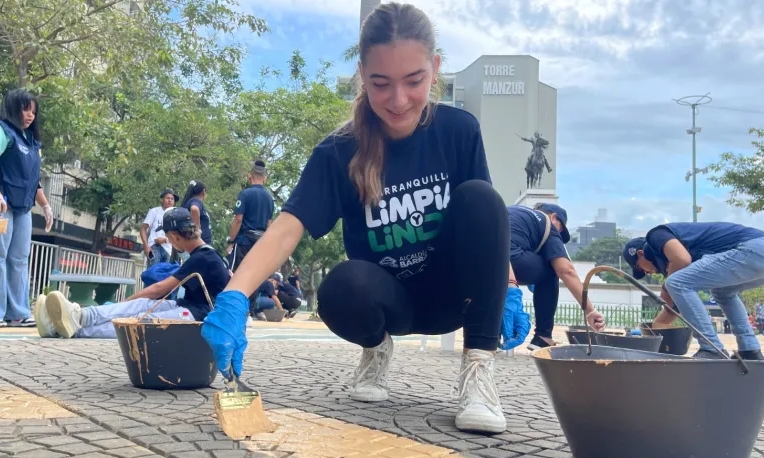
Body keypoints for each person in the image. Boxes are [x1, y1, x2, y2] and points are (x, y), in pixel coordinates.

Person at [201, 2, 540, 435]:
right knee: (341, 285)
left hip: (455, 297)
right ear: (363, 75)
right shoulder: (337, 151)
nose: (398, 101)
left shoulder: (459, 130)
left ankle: (477, 374)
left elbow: (487, 222)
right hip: (388, 303)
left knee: (481, 196)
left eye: (414, 81)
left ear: (435, 69)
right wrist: (234, 295)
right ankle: (377, 352)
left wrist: (507, 286)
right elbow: (289, 225)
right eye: (381, 84)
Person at [33, 208, 231, 339]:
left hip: (199, 316)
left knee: (140, 323)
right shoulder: (205, 255)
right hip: (187, 307)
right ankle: (80, 315)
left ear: (174, 237)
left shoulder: (203, 258)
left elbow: (159, 288)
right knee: (142, 305)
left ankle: (73, 330)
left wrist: (124, 302)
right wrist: (131, 302)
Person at [623, 221, 764, 360]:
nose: (646, 273)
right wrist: (653, 331)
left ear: (641, 254)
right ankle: (749, 349)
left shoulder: (656, 235)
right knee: (723, 292)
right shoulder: (671, 263)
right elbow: (675, 308)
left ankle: (711, 348)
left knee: (675, 282)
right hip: (761, 254)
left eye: (640, 268)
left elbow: (682, 259)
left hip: (754, 248)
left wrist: (666, 288)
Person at [0, 88, 54, 327]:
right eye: (26, 109)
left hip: (22, 206)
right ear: (13, 107)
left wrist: (46, 206)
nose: (30, 115)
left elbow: (33, 180)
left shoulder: (31, 141)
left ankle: (17, 312)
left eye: (34, 112)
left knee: (19, 257)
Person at [508, 203, 605, 350]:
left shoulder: (516, 211)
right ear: (554, 217)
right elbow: (566, 270)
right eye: (560, 230)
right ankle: (543, 336)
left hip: (473, 253)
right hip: (507, 257)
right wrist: (590, 310)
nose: (558, 236)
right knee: (552, 270)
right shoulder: (548, 224)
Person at [226, 160, 274, 271]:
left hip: (244, 242)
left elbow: (238, 220)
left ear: (249, 176)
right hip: (260, 244)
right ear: (264, 178)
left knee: (234, 275)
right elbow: (269, 225)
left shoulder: (245, 194)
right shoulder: (269, 198)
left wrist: (230, 242)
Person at [141, 189, 179, 266]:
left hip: (168, 249)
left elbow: (177, 234)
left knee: (163, 275)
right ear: (162, 199)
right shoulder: (154, 211)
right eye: (167, 198)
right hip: (154, 247)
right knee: (153, 273)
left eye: (172, 199)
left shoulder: (175, 215)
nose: (170, 200)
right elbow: (143, 228)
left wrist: (166, 240)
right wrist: (146, 245)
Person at [181, 180, 213, 247]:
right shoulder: (196, 200)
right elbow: (194, 209)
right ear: (203, 191)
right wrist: (197, 230)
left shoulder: (189, 202)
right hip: (199, 245)